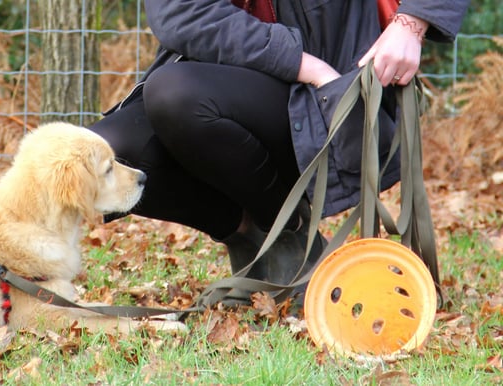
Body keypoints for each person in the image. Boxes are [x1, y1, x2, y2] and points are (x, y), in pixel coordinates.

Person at [88, 1, 469, 292]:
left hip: (340, 99)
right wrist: (305, 65)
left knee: (175, 94)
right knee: (113, 152)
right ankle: (251, 235)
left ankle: (291, 235)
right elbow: (182, 13)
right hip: (233, 88)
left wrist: (411, 23)